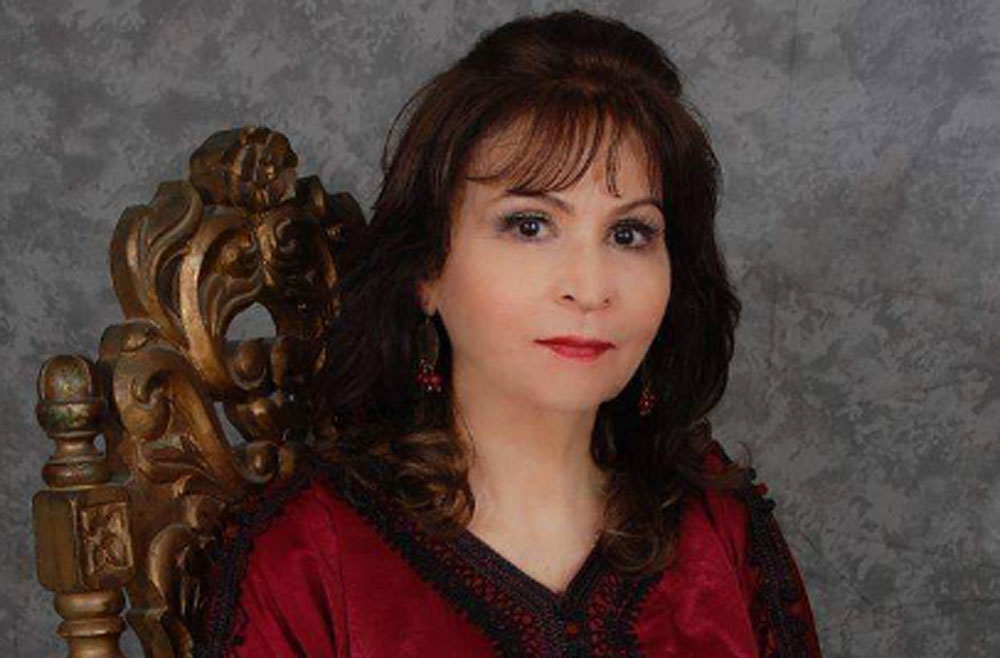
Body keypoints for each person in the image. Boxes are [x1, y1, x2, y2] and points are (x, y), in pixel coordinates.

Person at [195, 9, 822, 657]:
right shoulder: (308, 558)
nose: (590, 287)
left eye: (628, 233)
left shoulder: (719, 523)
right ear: (427, 268)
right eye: (530, 225)